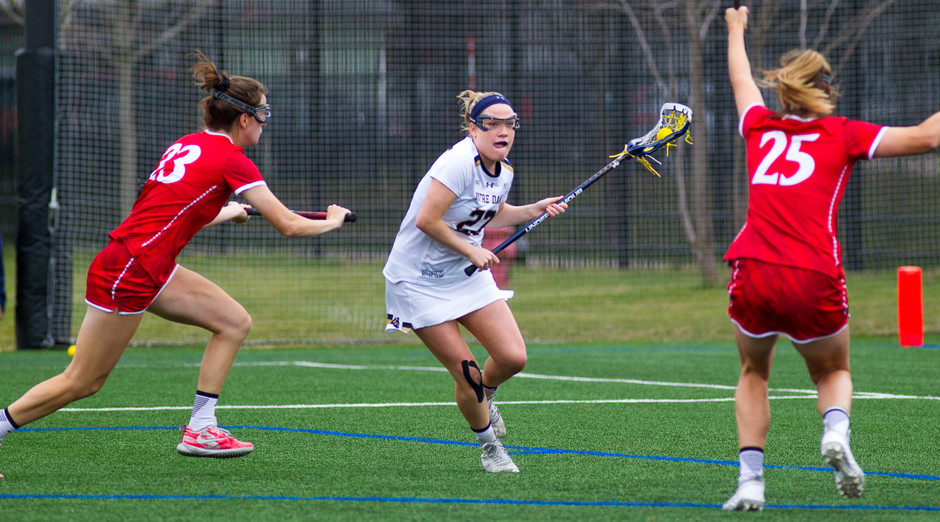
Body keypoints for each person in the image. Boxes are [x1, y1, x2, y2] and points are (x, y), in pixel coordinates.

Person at [0, 50, 352, 477]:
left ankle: (201, 428)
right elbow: (290, 226)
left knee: (233, 321)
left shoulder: (187, 143)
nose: (264, 122)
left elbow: (171, 210)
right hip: (133, 269)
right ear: (244, 119)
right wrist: (332, 222)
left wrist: (226, 211)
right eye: (263, 114)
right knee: (83, 381)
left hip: (143, 260)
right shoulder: (232, 159)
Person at [721, 5, 940, 511]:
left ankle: (750, 481)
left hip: (754, 269)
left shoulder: (759, 126)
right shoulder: (843, 133)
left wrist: (735, 29)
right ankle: (834, 431)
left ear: (784, 91)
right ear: (826, 92)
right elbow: (927, 137)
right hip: (813, 272)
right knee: (832, 371)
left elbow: (741, 77)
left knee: (753, 372)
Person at [382, 90, 567, 473]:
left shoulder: (505, 171)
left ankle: (487, 394)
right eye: (492, 124)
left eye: (509, 123)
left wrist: (534, 209)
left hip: (464, 277)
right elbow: (427, 220)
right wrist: (471, 251)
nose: (503, 131)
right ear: (473, 128)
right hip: (418, 281)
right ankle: (490, 449)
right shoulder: (456, 163)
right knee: (467, 373)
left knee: (514, 357)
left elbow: (490, 213)